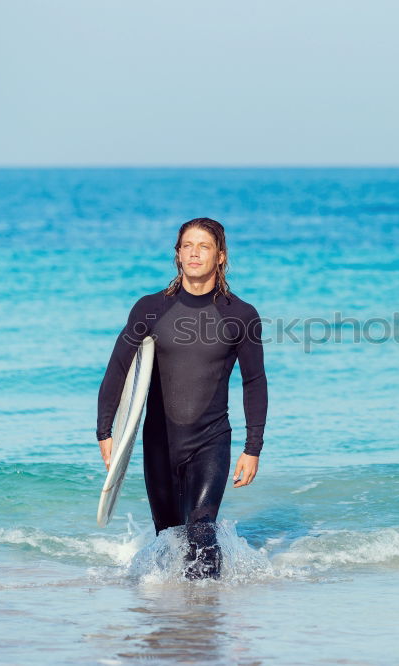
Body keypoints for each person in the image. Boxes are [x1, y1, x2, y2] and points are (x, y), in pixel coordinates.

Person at [95, 217, 267, 580]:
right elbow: (118, 368)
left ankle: (204, 616)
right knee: (169, 536)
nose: (194, 253)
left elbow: (254, 381)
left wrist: (253, 447)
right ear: (177, 255)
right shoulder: (150, 309)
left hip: (211, 439)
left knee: (203, 530)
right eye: (187, 246)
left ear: (220, 256)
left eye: (204, 246)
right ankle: (171, 621)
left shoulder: (241, 316)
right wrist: (105, 431)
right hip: (159, 442)